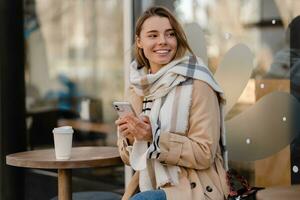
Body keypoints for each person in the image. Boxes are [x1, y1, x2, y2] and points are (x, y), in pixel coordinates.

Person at [115, 6, 229, 200]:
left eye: (170, 34)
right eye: (153, 35)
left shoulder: (198, 82)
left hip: (194, 188)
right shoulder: (137, 87)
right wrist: (133, 137)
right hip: (149, 182)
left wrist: (155, 137)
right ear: (139, 42)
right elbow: (129, 159)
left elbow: (204, 153)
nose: (163, 41)